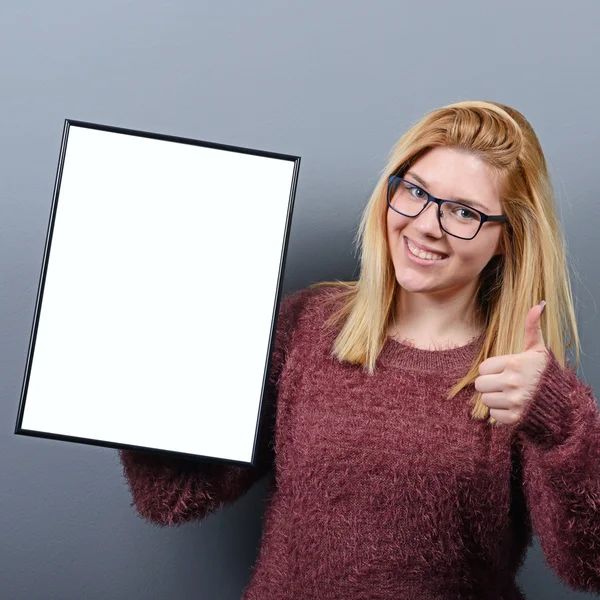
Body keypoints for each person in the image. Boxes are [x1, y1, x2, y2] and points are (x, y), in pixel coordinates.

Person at [118, 100, 600, 599]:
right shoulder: (306, 325)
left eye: (463, 212)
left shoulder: (520, 382)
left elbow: (590, 566)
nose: (427, 225)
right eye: (415, 191)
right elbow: (173, 497)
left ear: (507, 237)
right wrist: (135, 354)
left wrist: (558, 417)